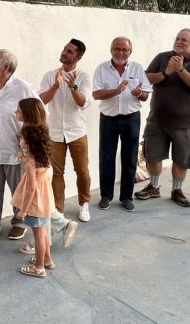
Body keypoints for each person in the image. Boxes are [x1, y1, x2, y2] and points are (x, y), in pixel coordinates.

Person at [134, 29, 190, 208]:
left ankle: (177, 190)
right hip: (158, 120)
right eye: (178, 38)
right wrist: (167, 72)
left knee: (181, 158)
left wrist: (181, 70)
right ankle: (153, 186)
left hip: (187, 123)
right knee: (153, 155)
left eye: (184, 40)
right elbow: (146, 78)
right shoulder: (162, 57)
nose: (180, 42)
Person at [0, 49, 39, 244]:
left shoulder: (23, 88)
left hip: (16, 152)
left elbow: (39, 115)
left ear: (5, 67)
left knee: (18, 190)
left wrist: (28, 142)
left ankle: (19, 222)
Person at [93, 37, 152, 212]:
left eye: (124, 50)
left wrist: (139, 93)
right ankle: (106, 196)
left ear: (130, 52)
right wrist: (116, 91)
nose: (120, 53)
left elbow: (145, 96)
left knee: (129, 157)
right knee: (107, 158)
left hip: (131, 118)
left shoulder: (137, 68)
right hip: (108, 119)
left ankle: (126, 197)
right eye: (117, 49)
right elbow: (96, 94)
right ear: (111, 50)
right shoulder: (102, 69)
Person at [15, 98, 78, 255]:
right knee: (44, 203)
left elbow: (31, 184)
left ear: (27, 114)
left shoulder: (31, 130)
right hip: (43, 169)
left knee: (39, 206)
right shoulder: (38, 127)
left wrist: (23, 211)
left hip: (38, 171)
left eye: (18, 111)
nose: (15, 113)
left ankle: (41, 248)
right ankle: (63, 225)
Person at [40, 39, 92, 222]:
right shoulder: (50, 75)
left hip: (77, 131)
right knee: (57, 172)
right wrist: (56, 85)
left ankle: (84, 204)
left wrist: (72, 87)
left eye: (69, 51)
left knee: (82, 170)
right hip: (54, 133)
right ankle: (58, 209)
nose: (64, 53)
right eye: (64, 49)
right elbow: (42, 101)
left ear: (78, 56)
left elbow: (82, 103)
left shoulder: (84, 77)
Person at [12, 124, 54, 278]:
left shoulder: (31, 163)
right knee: (43, 234)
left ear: (28, 143)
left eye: (21, 138)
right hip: (45, 201)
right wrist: (22, 157)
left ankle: (39, 267)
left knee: (38, 237)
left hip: (35, 204)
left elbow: (31, 189)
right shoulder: (41, 157)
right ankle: (47, 260)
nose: (19, 140)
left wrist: (23, 210)